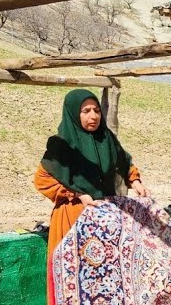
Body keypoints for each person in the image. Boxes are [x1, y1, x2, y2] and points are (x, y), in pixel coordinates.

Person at [34, 88, 150, 255]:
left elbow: (123, 163)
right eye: (86, 111)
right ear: (73, 114)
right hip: (73, 216)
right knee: (74, 267)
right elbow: (42, 179)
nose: (94, 116)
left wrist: (136, 182)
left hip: (104, 216)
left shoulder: (106, 138)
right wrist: (77, 194)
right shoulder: (61, 144)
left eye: (96, 110)